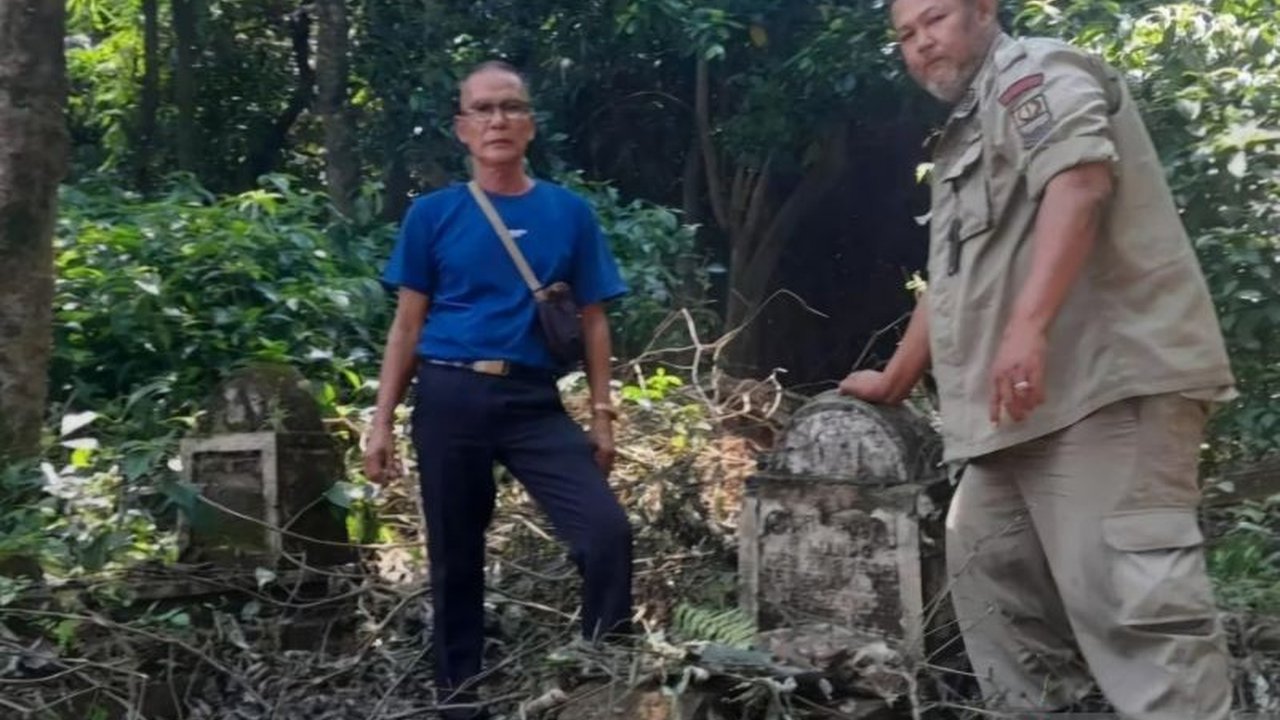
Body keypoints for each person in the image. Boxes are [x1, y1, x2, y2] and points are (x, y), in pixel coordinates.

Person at [839, 1, 1237, 717]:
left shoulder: (1036, 71)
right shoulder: (963, 133)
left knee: (1139, 624)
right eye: (906, 34)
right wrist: (898, 377)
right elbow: (955, 275)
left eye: (935, 19)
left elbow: (1079, 182)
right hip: (1013, 418)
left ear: (983, 9)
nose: (922, 43)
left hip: (1103, 389)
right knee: (996, 598)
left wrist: (1028, 328)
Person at [363, 60, 634, 720]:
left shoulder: (568, 213)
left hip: (533, 402)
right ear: (462, 128)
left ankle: (602, 680)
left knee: (605, 532)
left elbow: (594, 319)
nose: (497, 120)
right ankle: (459, 702)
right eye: (482, 110)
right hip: (449, 395)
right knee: (455, 556)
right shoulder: (433, 215)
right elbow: (407, 324)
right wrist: (380, 421)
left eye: (510, 107)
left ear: (530, 125)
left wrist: (602, 415)